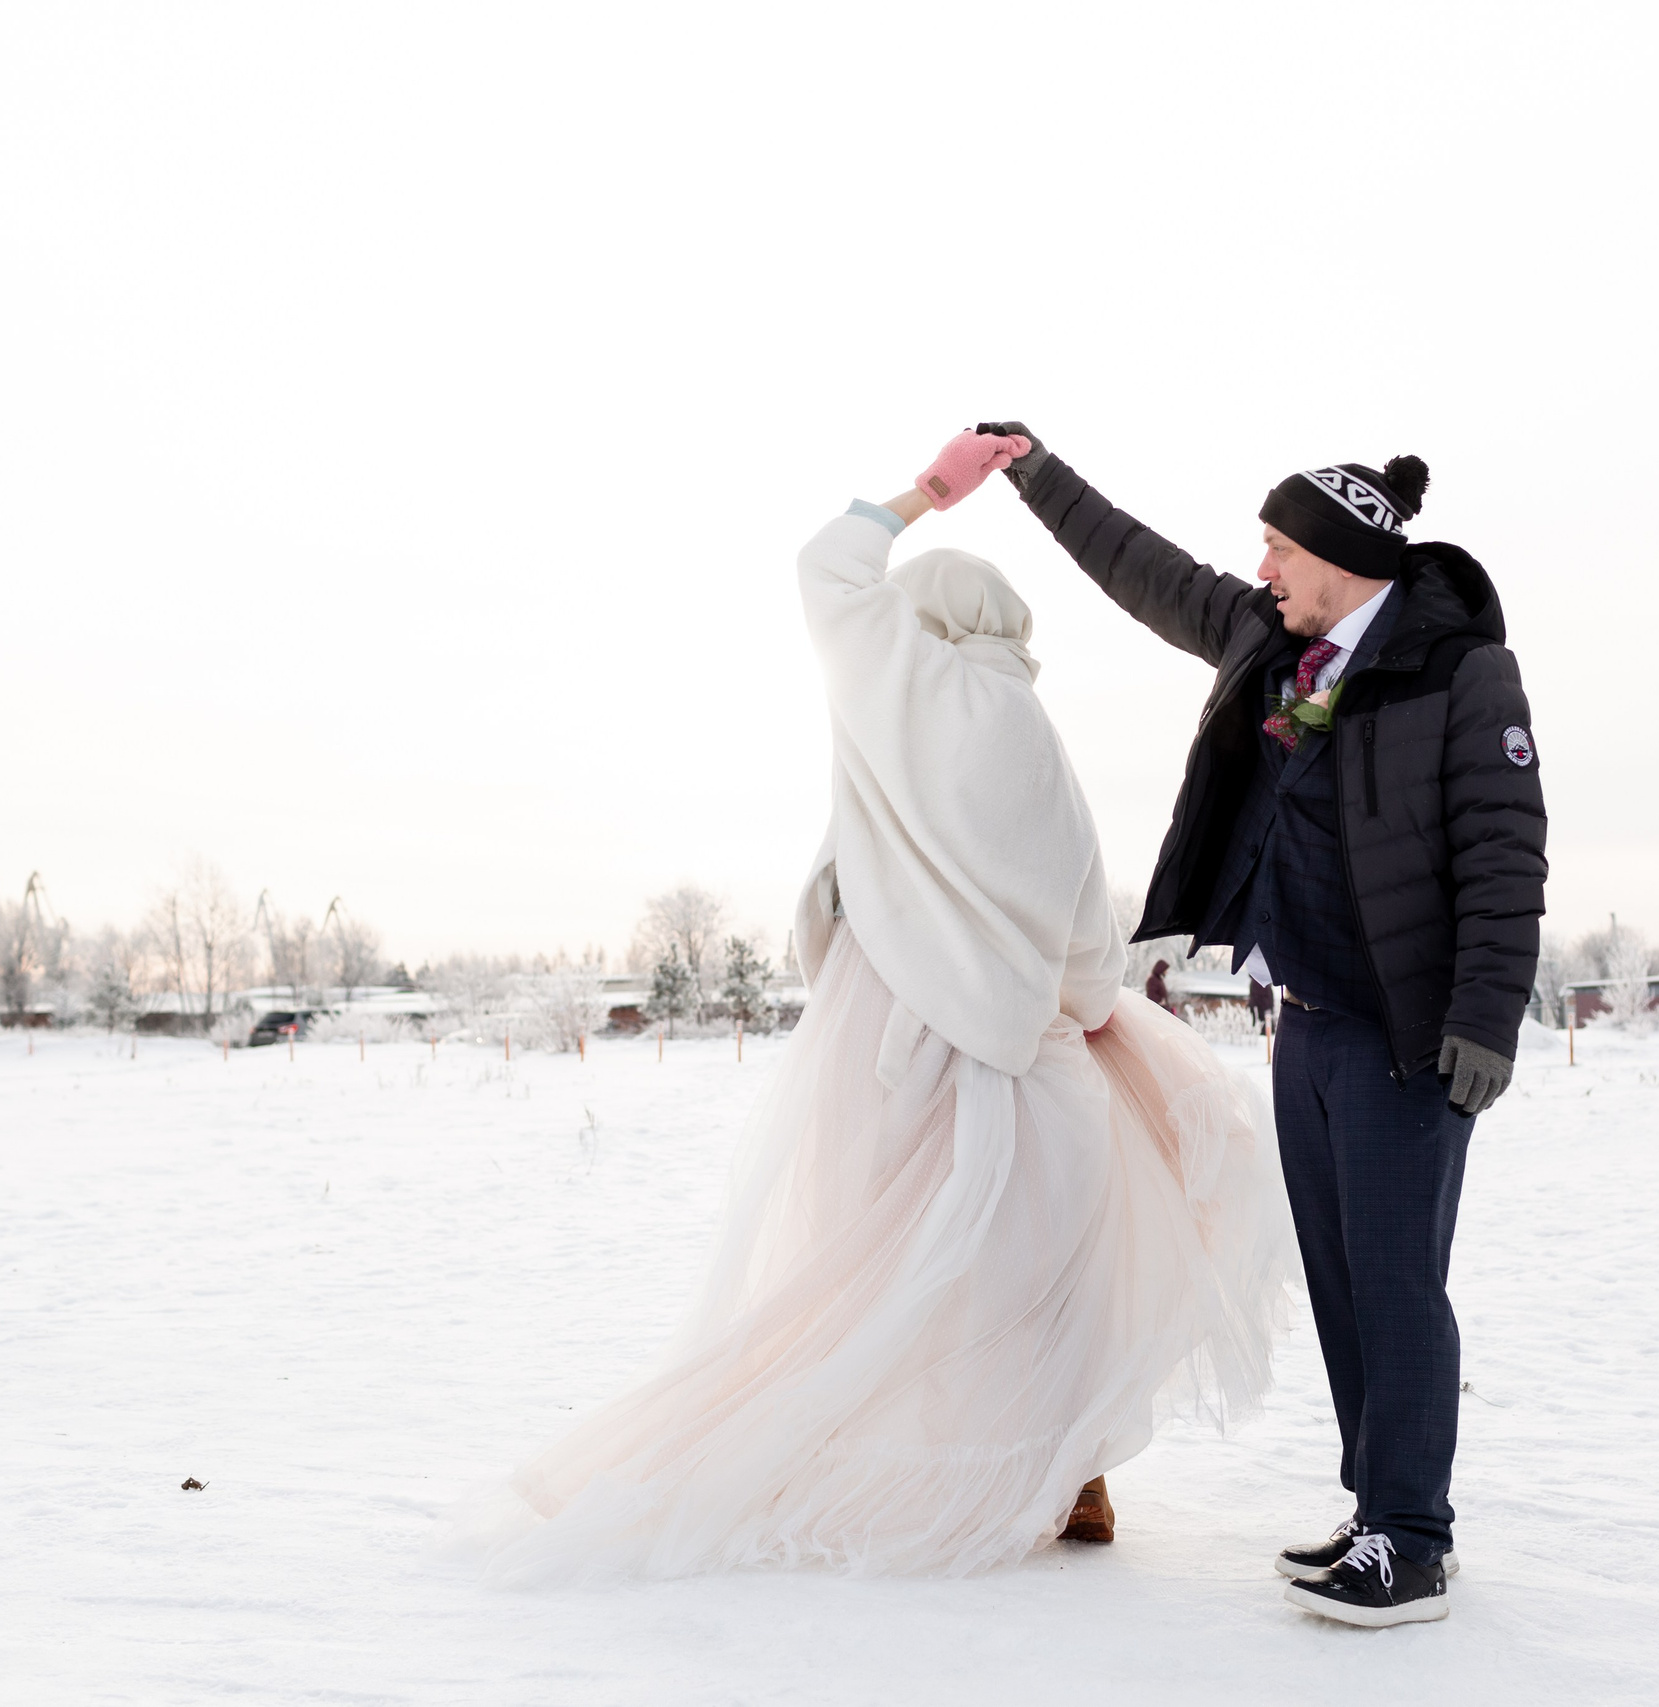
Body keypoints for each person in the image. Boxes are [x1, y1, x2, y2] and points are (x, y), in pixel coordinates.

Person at [442, 432, 1292, 1582]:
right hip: (1023, 1055)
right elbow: (1086, 937)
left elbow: (828, 567)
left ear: (922, 615)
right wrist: (1087, 1005)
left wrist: (932, 490)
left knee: (880, 1274)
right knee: (1046, 1272)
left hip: (886, 1045)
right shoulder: (1032, 737)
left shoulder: (892, 685)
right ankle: (1062, 1473)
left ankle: (911, 1461)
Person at [981, 423, 1547, 1628]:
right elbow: (1149, 573)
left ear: (1343, 557)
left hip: (1410, 1030)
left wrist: (1486, 1019)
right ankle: (1376, 1509)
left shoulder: (1458, 670)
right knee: (1343, 1283)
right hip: (1308, 1023)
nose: (1265, 569)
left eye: (1280, 548)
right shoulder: (1265, 645)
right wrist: (1033, 471)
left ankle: (1413, 1539)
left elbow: (1505, 858)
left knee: (1398, 1285)